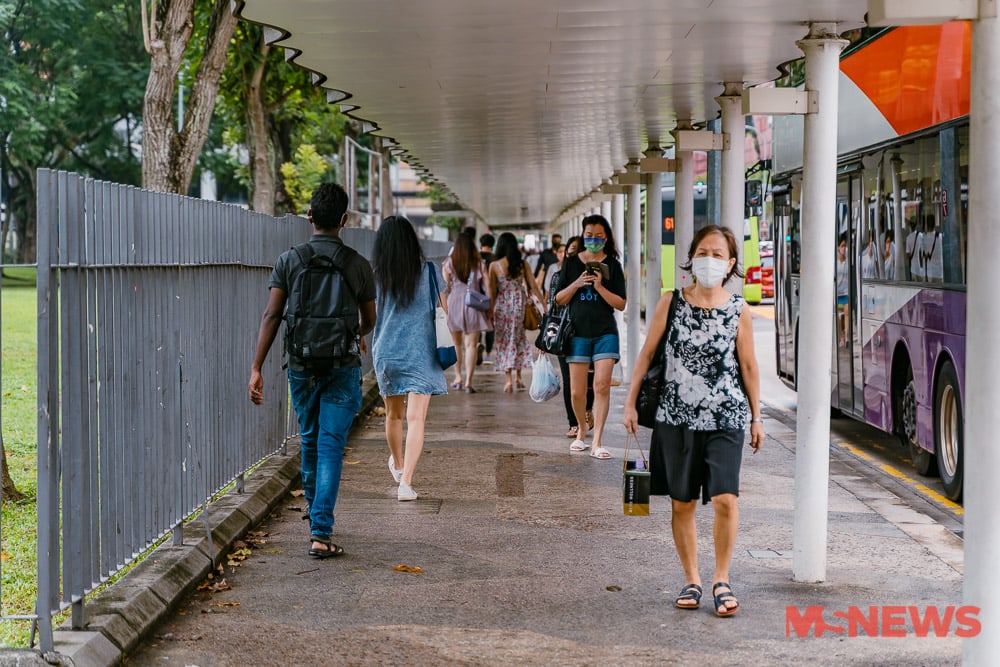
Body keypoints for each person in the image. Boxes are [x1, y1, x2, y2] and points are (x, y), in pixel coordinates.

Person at [622, 224, 764, 618]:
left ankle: (721, 578)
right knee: (682, 503)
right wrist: (630, 403)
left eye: (718, 255)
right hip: (675, 417)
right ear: (690, 258)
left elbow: (749, 366)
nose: (710, 260)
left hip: (726, 417)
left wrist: (756, 417)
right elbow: (647, 354)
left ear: (732, 263)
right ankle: (692, 578)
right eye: (703, 252)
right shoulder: (672, 302)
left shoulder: (740, 309)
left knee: (725, 498)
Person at [248, 183, 376, 559]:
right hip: (342, 365)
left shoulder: (289, 260)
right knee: (332, 446)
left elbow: (272, 315)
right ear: (344, 220)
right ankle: (321, 531)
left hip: (301, 365)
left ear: (309, 217)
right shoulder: (357, 264)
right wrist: (354, 334)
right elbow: (369, 318)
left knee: (309, 438)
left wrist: (256, 367)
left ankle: (314, 512)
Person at [371, 215, 448, 501]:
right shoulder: (429, 270)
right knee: (417, 419)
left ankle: (398, 463)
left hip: (387, 351)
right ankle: (406, 482)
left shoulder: (377, 275)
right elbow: (444, 309)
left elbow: (371, 314)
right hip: (422, 352)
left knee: (394, 415)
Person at [553, 215, 626, 459]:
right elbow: (559, 299)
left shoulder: (613, 266)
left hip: (605, 332)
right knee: (576, 392)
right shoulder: (572, 262)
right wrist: (577, 284)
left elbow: (621, 303)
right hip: (577, 333)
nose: (593, 239)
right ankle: (581, 431)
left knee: (602, 385)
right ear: (583, 235)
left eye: (598, 235)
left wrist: (599, 287)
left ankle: (597, 441)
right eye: (589, 235)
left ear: (606, 237)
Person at [489, 232, 543, 392]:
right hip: (519, 304)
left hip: (502, 307)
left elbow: (492, 292)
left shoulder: (494, 266)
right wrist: (544, 304)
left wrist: (489, 313)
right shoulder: (522, 263)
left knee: (505, 341)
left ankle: (508, 379)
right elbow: (533, 286)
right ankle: (519, 377)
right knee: (519, 339)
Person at [552, 236, 594, 439]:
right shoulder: (558, 276)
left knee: (590, 378)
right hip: (564, 334)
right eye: (570, 251)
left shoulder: (595, 277)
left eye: (576, 250)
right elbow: (555, 304)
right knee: (569, 380)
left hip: (588, 333)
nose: (571, 254)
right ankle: (574, 423)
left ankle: (587, 411)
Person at [443, 233, 492, 392]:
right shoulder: (478, 263)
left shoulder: (449, 263)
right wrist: (489, 306)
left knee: (456, 344)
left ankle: (458, 377)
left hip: (454, 304)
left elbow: (446, 286)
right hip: (474, 304)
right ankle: (469, 382)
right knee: (471, 345)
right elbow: (488, 285)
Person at [479, 233, 497, 363]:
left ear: (481, 244)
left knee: (477, 323)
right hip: (493, 295)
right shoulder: (495, 258)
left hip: (476, 295)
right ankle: (488, 353)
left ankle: (477, 344)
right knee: (491, 324)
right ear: (492, 245)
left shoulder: (475, 257)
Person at [836, 234, 849, 346]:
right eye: (842, 246)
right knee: (838, 317)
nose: (844, 248)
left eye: (845, 246)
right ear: (838, 248)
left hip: (846, 292)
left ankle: (846, 337)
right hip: (837, 293)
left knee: (847, 313)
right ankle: (841, 337)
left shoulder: (848, 261)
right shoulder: (835, 263)